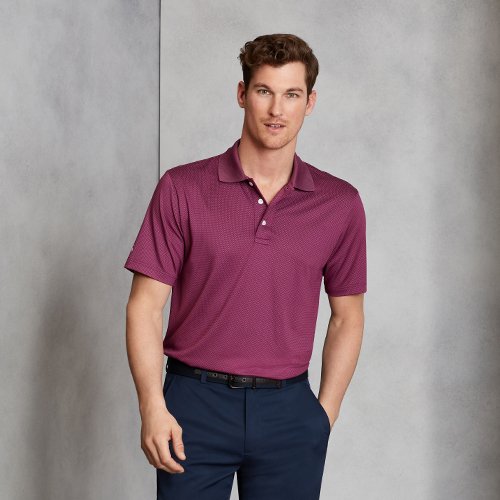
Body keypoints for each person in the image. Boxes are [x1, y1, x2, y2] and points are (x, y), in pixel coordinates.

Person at [124, 33, 367, 500]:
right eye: (264, 91)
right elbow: (144, 307)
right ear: (242, 94)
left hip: (289, 410)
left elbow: (348, 316)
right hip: (194, 405)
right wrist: (152, 406)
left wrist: (324, 415)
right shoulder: (183, 188)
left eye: (291, 94)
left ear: (310, 102)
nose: (277, 109)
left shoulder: (340, 204)